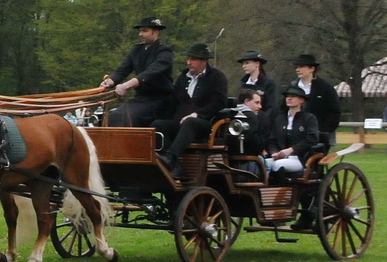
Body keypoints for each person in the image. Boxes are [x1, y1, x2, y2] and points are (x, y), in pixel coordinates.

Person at [153, 43, 230, 180]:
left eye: (193, 59)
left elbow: (219, 102)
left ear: (204, 61)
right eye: (188, 59)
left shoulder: (216, 76)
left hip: (205, 124)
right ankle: (173, 164)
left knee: (190, 122)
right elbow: (173, 102)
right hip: (181, 122)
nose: (189, 62)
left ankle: (171, 157)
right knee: (158, 124)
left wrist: (198, 114)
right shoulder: (183, 77)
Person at [101, 17, 175, 127]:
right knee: (112, 116)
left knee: (125, 117)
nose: (140, 34)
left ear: (155, 33)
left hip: (160, 100)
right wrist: (110, 81)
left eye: (144, 31)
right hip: (140, 98)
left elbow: (150, 73)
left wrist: (126, 86)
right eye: (140, 31)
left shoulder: (165, 52)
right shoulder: (136, 50)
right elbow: (123, 70)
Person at [286, 54, 341, 149]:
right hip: (294, 136)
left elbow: (334, 112)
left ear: (312, 69)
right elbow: (283, 109)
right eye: (297, 67)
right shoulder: (292, 87)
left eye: (302, 66)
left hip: (319, 137)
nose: (297, 69)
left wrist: (322, 131)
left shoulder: (325, 87)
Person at [266, 89, 322, 176]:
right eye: (287, 96)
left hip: (299, 158)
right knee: (263, 164)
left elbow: (312, 138)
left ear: (302, 100)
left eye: (293, 96)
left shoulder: (309, 118)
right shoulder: (279, 119)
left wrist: (291, 150)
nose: (289, 99)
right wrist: (274, 152)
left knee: (277, 165)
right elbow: (272, 140)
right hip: (280, 157)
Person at [237, 51, 280, 116]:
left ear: (257, 63)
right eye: (243, 64)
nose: (243, 66)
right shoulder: (243, 84)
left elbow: (272, 107)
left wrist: (263, 121)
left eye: (247, 63)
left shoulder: (269, 83)